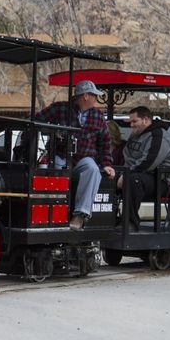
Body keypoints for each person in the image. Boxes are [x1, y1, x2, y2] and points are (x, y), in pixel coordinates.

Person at [35, 79, 115, 230]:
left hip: (84, 158)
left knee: (93, 170)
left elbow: (104, 143)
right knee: (53, 170)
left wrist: (107, 164)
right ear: (86, 96)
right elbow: (36, 121)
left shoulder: (98, 116)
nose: (96, 99)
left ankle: (80, 215)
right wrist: (52, 131)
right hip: (60, 155)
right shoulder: (60, 108)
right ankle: (52, 213)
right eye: (94, 95)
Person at [117, 106, 170, 230]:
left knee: (133, 180)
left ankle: (130, 223)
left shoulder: (158, 135)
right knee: (108, 176)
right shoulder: (135, 135)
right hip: (141, 174)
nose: (131, 125)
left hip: (163, 181)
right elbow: (127, 156)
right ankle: (110, 218)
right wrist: (121, 174)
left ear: (146, 120)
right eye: (130, 122)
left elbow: (149, 162)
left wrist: (126, 174)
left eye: (134, 121)